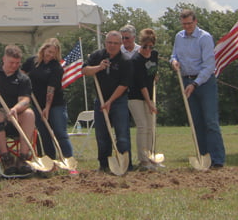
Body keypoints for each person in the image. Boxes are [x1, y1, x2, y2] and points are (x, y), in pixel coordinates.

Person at [170, 9, 226, 169]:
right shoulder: (178, 37)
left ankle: (217, 159)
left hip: (205, 82)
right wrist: (173, 62)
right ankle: (204, 157)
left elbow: (209, 66)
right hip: (186, 80)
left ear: (196, 21)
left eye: (189, 23)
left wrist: (195, 84)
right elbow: (174, 55)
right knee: (196, 122)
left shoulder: (205, 37)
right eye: (184, 24)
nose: (187, 26)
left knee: (210, 121)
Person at [0, 45, 35, 176]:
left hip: (14, 112)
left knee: (29, 114)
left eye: (17, 63)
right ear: (4, 59)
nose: (14, 66)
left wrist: (15, 108)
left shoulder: (23, 78)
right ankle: (6, 158)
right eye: (11, 62)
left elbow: (25, 100)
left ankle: (23, 157)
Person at [20, 38, 75, 171]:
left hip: (55, 105)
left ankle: (69, 162)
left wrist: (47, 108)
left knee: (59, 132)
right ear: (43, 49)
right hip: (36, 103)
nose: (50, 55)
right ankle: (51, 163)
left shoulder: (56, 67)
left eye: (54, 53)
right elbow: (21, 73)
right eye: (49, 51)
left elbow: (51, 89)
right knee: (44, 134)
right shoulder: (32, 61)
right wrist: (25, 84)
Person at [83, 31, 133, 172]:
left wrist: (110, 101)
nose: (112, 46)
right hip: (100, 100)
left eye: (115, 43)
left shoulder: (125, 60)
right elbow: (84, 71)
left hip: (118, 100)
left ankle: (125, 165)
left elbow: (124, 85)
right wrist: (98, 67)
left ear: (121, 44)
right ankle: (104, 165)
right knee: (102, 134)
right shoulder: (97, 56)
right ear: (105, 43)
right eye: (109, 43)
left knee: (122, 134)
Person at [129, 28, 160, 170]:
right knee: (142, 126)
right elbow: (141, 84)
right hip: (136, 96)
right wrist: (150, 103)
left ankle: (151, 156)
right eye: (145, 47)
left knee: (150, 127)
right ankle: (143, 160)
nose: (148, 50)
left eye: (150, 47)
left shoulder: (154, 55)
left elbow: (153, 72)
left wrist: (155, 76)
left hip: (149, 93)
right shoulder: (135, 60)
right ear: (140, 45)